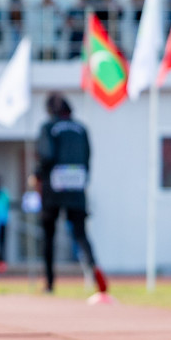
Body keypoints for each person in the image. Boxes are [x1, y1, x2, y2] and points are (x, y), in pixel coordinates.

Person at [35, 93, 108, 295]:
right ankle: (94, 269)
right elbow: (87, 158)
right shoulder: (81, 129)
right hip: (77, 187)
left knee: (48, 234)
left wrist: (37, 174)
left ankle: (49, 283)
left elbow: (46, 155)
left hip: (53, 188)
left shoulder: (48, 127)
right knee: (80, 233)